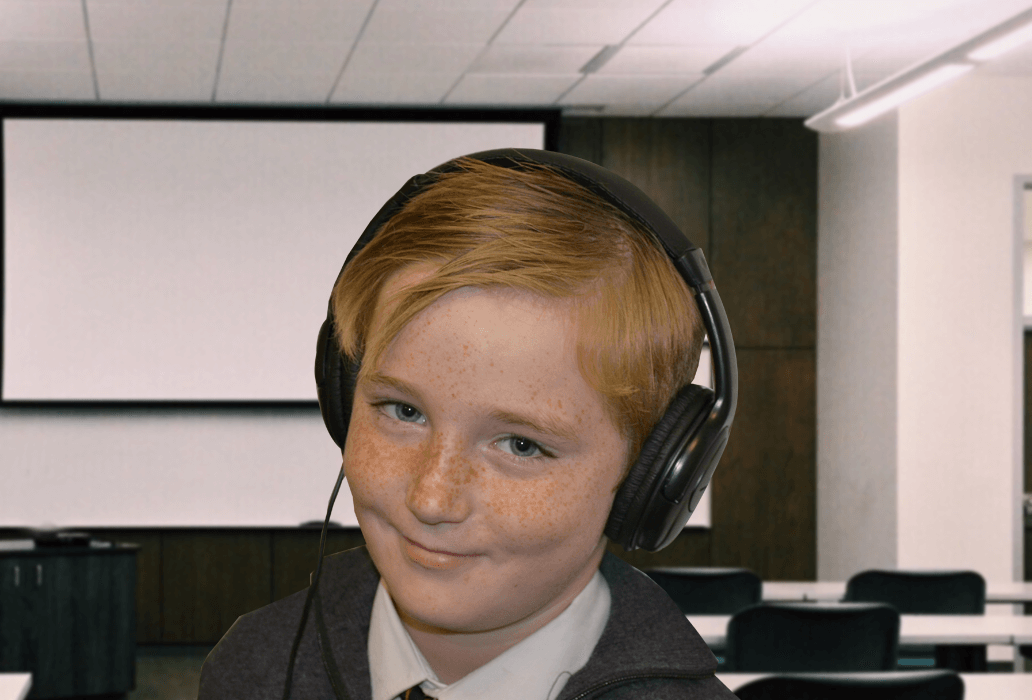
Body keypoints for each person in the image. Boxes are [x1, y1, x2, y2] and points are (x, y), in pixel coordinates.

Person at [198, 150, 735, 699]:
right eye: (403, 412)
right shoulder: (255, 667)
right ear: (342, 396)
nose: (432, 500)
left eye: (521, 445)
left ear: (647, 477)